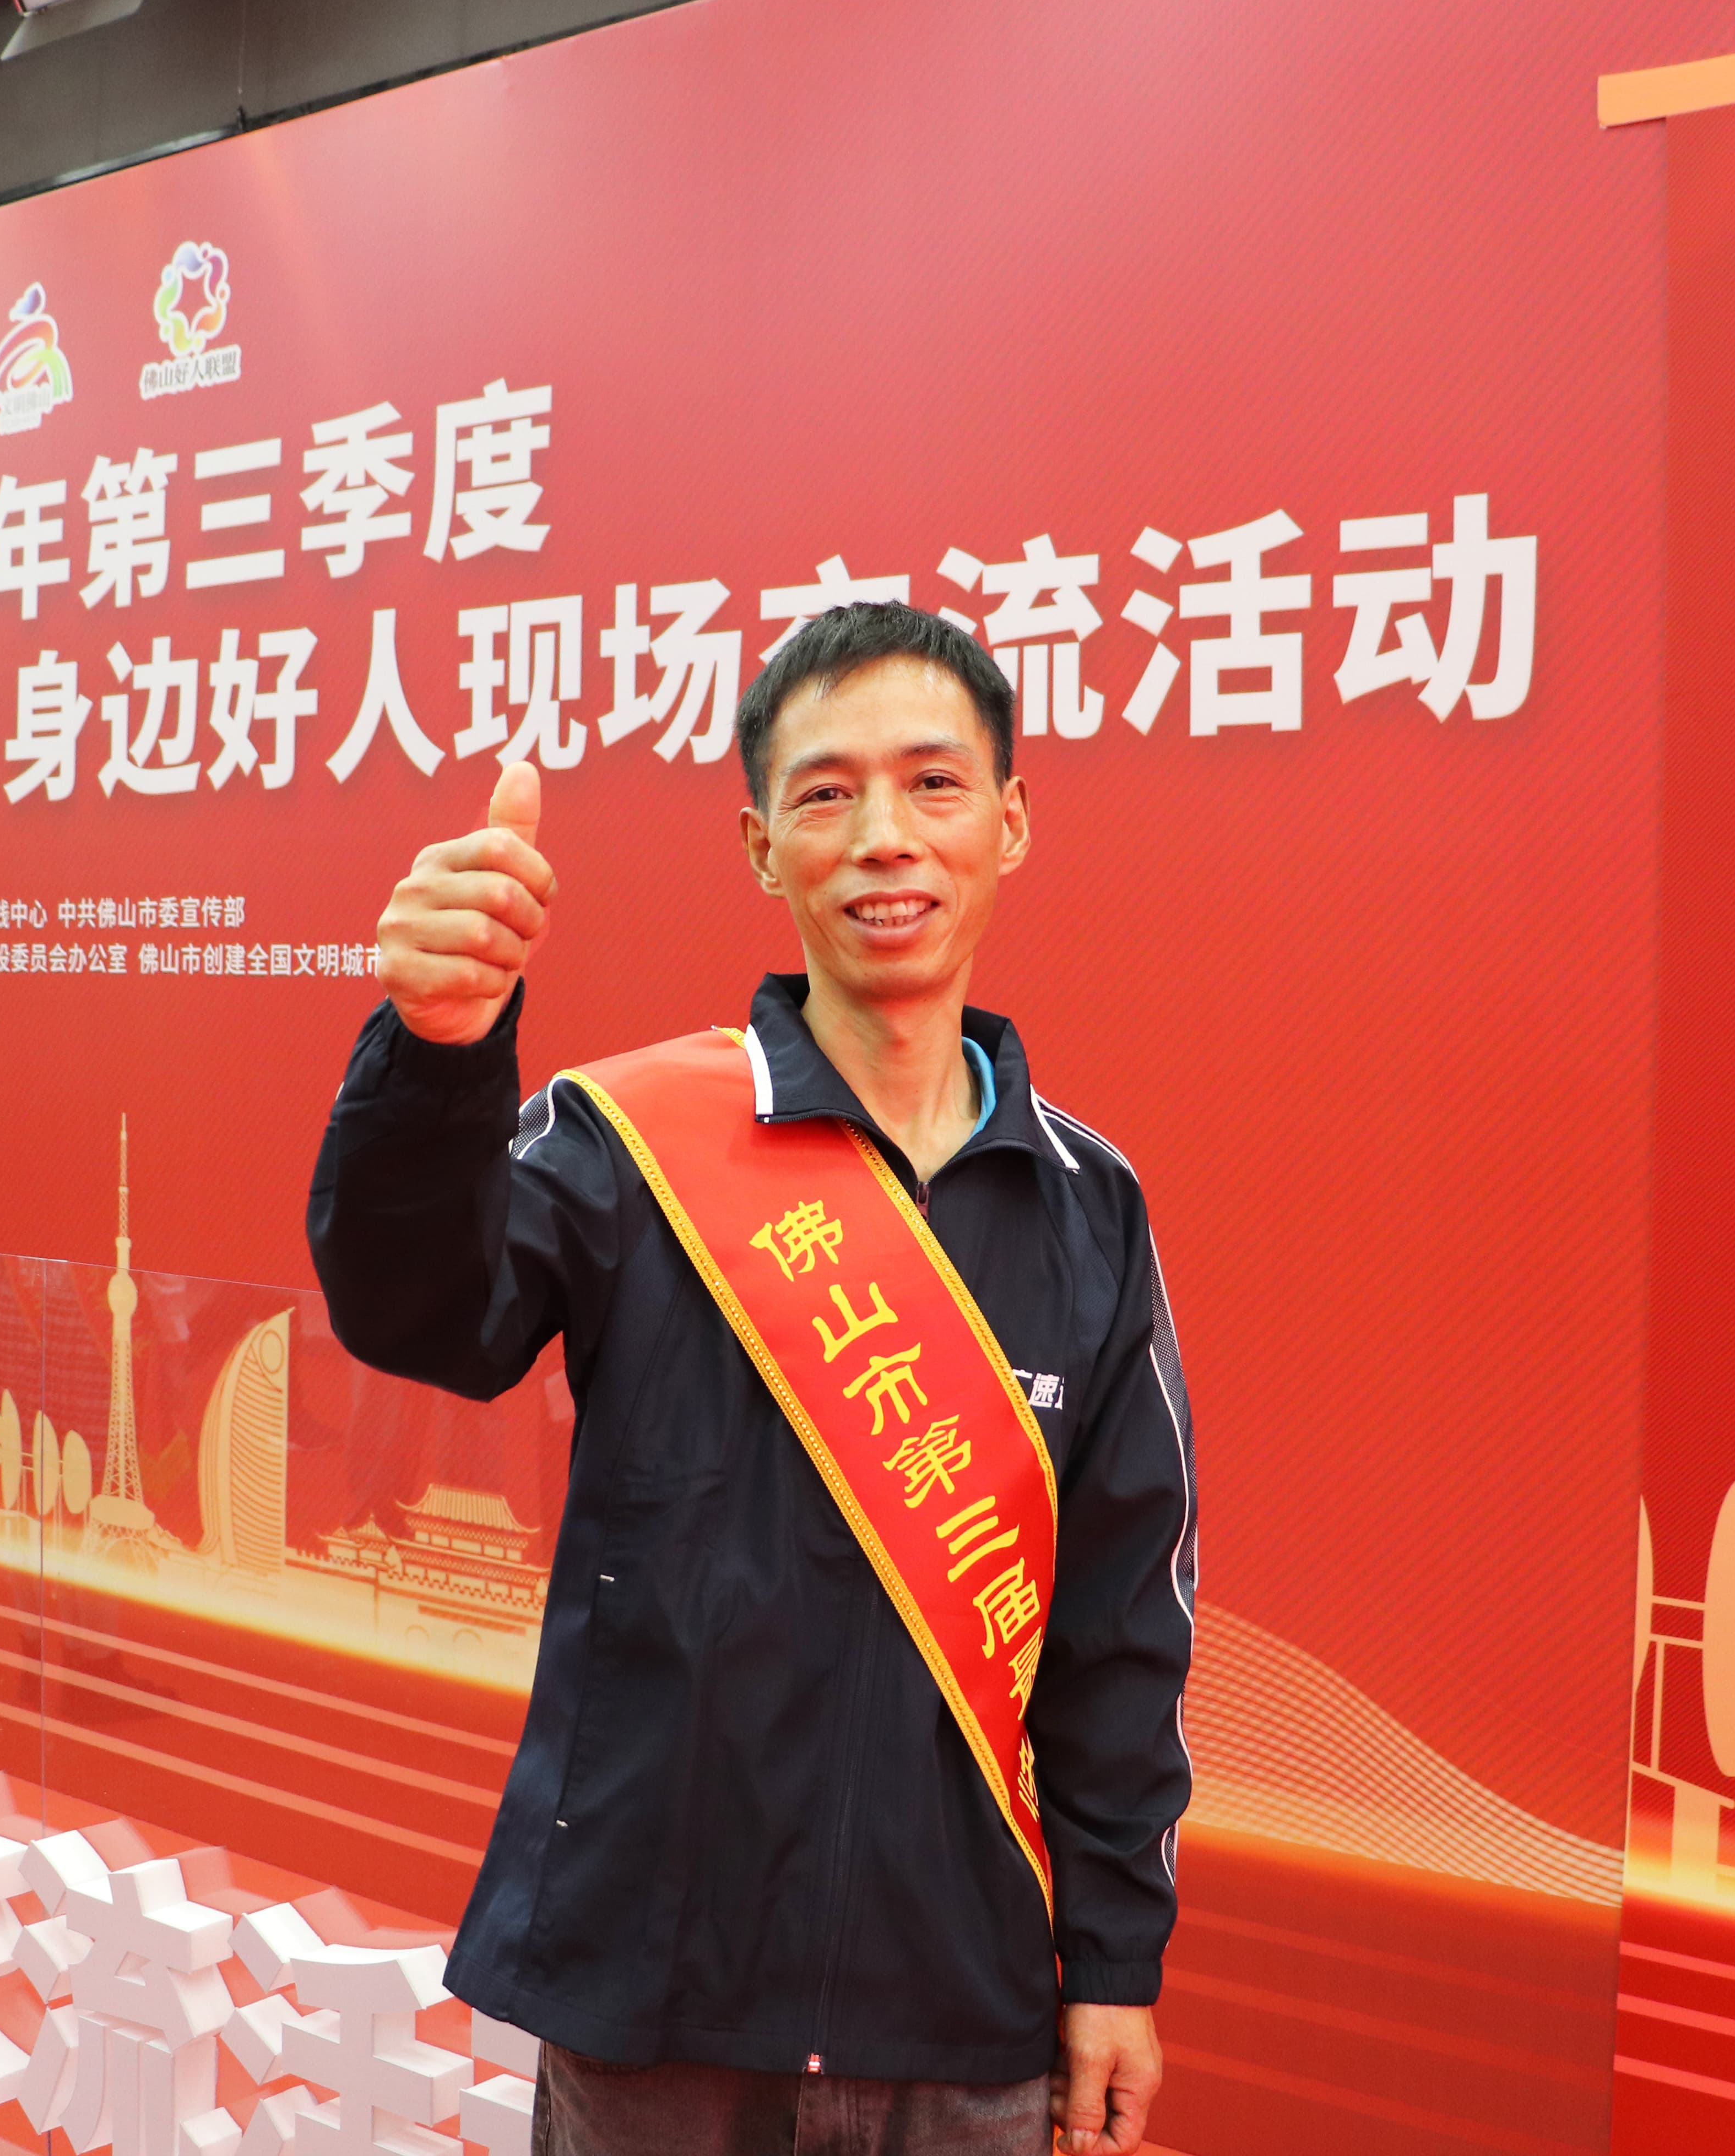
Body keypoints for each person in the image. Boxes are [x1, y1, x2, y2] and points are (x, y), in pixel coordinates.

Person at [310, 603, 1197, 2156]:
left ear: (1009, 821)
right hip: (657, 2004)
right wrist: (437, 1054)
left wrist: (1115, 1960)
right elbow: (418, 1314)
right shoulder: (630, 1144)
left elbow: (1119, 1625)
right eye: (826, 793)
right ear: (761, 847)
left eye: (932, 783)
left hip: (958, 2009)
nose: (883, 837)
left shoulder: (1088, 1208)